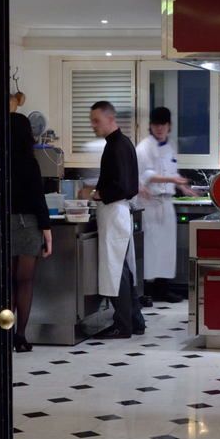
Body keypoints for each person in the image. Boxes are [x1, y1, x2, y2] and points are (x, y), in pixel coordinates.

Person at [79, 101, 146, 338]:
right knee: (122, 269)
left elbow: (122, 186)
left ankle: (123, 325)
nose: (93, 125)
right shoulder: (121, 143)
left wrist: (96, 194)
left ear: (110, 118)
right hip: (118, 213)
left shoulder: (116, 146)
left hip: (114, 212)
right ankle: (135, 320)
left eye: (96, 121)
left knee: (116, 270)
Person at [0, 110, 52, 353]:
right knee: (25, 282)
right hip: (28, 224)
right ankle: (20, 336)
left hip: (5, 224)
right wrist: (47, 230)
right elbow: (38, 198)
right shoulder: (29, 161)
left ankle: (5, 335)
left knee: (8, 283)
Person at [135, 106, 193, 303]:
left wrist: (183, 187)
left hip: (166, 203)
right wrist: (172, 180)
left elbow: (172, 171)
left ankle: (163, 288)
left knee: (167, 249)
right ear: (151, 126)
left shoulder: (170, 146)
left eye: (163, 125)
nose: (159, 129)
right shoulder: (144, 147)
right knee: (150, 249)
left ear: (169, 126)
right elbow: (147, 175)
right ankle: (145, 291)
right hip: (150, 204)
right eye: (156, 125)